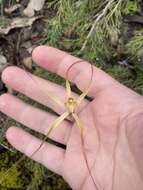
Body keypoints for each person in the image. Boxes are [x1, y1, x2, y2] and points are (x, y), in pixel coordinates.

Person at [0, 46, 143, 190]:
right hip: (69, 114)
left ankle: (88, 164)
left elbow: (85, 91)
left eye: (70, 100)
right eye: (69, 100)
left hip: (75, 114)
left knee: (79, 131)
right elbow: (52, 94)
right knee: (50, 127)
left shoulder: (77, 102)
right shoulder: (69, 102)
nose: (69, 100)